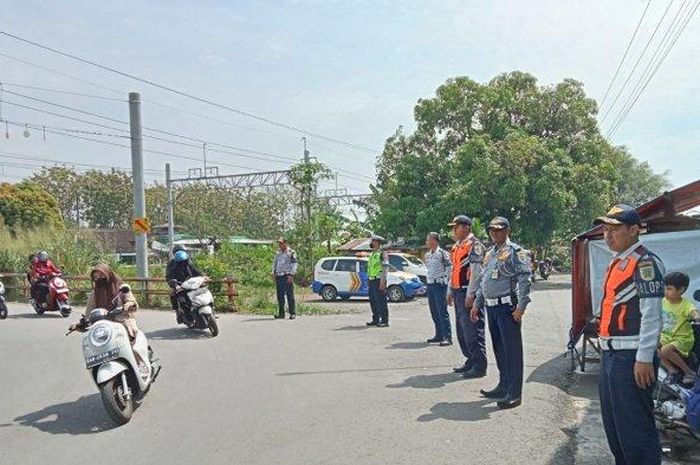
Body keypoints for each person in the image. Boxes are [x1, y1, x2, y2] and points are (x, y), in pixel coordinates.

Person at [593, 204, 665, 465]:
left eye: (615, 229)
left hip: (631, 357)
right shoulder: (618, 261)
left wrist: (644, 357)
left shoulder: (645, 262)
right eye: (605, 229)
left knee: (635, 432)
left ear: (634, 230)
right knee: (616, 429)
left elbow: (652, 314)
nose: (607, 235)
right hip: (612, 354)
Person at [472, 216, 531, 409]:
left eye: (498, 230)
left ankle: (514, 393)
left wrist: (521, 308)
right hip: (491, 306)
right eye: (491, 230)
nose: (494, 233)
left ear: (507, 231)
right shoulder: (490, 254)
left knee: (512, 351)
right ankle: (504, 384)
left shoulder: (515, 252)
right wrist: (476, 304)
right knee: (499, 348)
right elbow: (483, 281)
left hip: (507, 307)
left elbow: (524, 279)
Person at [446, 215, 486, 378]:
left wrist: (471, 294)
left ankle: (479, 365)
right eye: (453, 227)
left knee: (473, 329)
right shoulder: (456, 246)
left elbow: (477, 272)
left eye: (457, 227)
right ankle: (470, 359)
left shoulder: (474, 245)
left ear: (467, 228)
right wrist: (449, 290)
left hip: (468, 292)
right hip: (457, 291)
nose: (454, 230)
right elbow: (454, 269)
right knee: (462, 330)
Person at [70, 264, 139, 339]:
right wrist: (80, 324)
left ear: (108, 275)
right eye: (96, 277)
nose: (99, 278)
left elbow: (131, 300)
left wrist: (129, 305)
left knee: (132, 341)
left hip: (122, 321)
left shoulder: (121, 288)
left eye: (101, 275)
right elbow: (89, 313)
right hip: (102, 326)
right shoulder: (94, 294)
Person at [659, 271, 700, 386]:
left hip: (683, 339)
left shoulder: (685, 304)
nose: (666, 291)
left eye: (669, 289)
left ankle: (689, 372)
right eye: (665, 288)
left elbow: (693, 311)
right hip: (667, 336)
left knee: (665, 350)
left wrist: (696, 317)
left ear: (681, 290)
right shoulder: (663, 301)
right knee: (652, 344)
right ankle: (672, 370)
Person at [424, 232, 453, 346]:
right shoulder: (427, 255)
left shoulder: (442, 254)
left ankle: (447, 336)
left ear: (434, 241)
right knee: (434, 311)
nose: (426, 242)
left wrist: (446, 281)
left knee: (442, 311)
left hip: (440, 285)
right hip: (430, 285)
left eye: (428, 240)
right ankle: (439, 334)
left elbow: (449, 267)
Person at [166, 246, 203, 323]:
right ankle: (178, 313)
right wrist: (175, 285)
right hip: (179, 285)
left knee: (203, 291)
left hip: (192, 283)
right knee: (176, 296)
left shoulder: (189, 261)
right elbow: (169, 276)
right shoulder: (172, 264)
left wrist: (203, 277)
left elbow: (196, 270)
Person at [366, 235, 390, 327]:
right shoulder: (372, 254)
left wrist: (382, 281)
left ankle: (384, 320)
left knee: (381, 301)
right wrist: (368, 278)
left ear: (378, 243)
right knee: (373, 301)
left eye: (373, 241)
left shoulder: (382, 253)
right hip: (372, 280)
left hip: (379, 280)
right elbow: (370, 268)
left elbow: (385, 268)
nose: (371, 243)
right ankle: (376, 319)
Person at [272, 238, 298, 320]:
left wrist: (291, 274)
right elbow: (275, 263)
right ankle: (281, 314)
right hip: (279, 276)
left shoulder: (291, 252)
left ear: (285, 243)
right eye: (279, 243)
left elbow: (294, 264)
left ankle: (292, 313)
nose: (280, 245)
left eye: (281, 243)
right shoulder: (278, 253)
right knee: (280, 296)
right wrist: (273, 272)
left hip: (287, 275)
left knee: (290, 295)